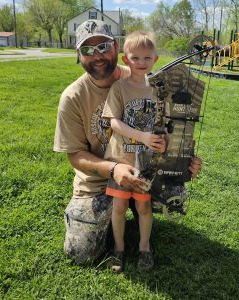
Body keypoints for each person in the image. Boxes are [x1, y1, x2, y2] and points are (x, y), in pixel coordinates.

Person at [53, 19, 202, 265]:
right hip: (97, 182)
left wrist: (185, 157)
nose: (97, 55)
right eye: (87, 50)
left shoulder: (145, 80)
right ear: (78, 55)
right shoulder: (72, 97)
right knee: (81, 253)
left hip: (143, 169)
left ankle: (141, 233)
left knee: (177, 193)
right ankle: (113, 228)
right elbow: (74, 154)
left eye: (103, 46)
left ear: (116, 48)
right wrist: (114, 169)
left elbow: (169, 127)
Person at [102, 31, 166, 272]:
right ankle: (118, 249)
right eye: (135, 58)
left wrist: (163, 140)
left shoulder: (158, 90)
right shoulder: (119, 88)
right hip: (122, 160)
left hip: (146, 165)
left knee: (143, 207)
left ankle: (144, 248)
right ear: (125, 59)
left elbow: (162, 123)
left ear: (155, 59)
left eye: (147, 58)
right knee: (118, 207)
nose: (141, 63)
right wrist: (141, 136)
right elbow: (113, 121)